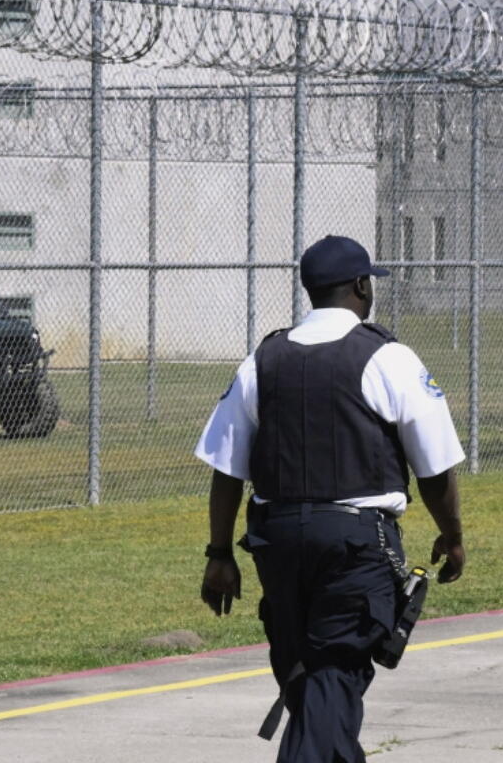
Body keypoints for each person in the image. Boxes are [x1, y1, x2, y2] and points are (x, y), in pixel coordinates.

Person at [195, 234, 466, 763]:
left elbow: (227, 469)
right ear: (362, 286)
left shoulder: (262, 360)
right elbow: (435, 468)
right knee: (333, 673)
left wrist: (220, 554)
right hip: (354, 545)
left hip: (276, 543)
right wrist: (452, 535)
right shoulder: (387, 358)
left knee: (310, 678)